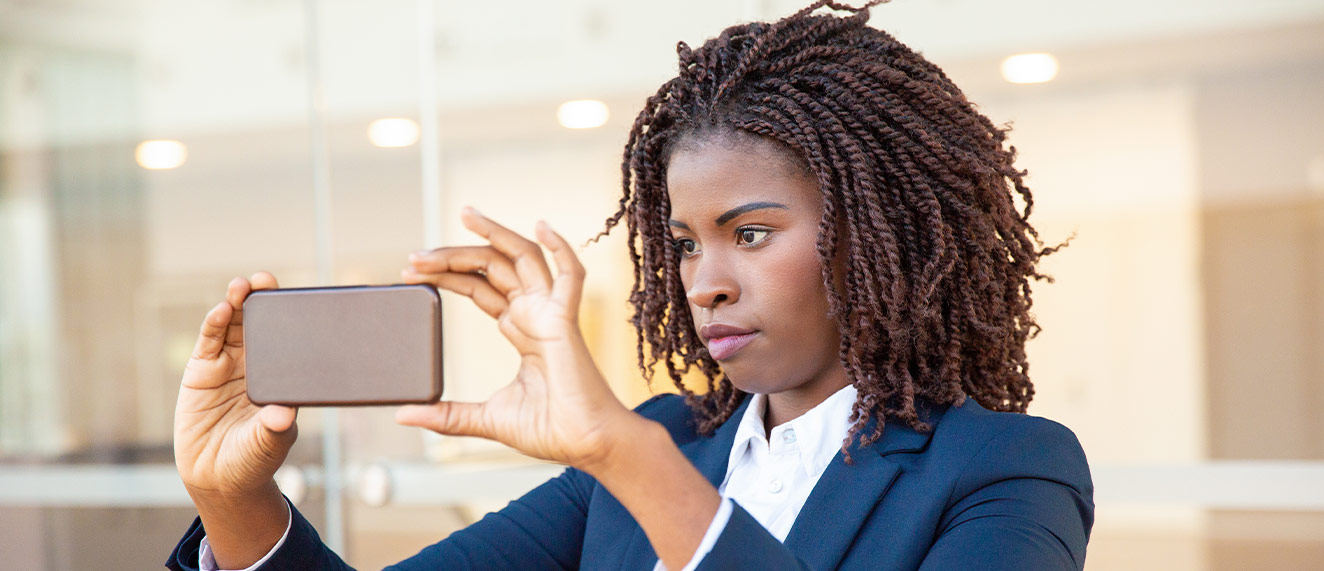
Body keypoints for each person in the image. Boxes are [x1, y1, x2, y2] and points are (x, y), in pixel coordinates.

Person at [166, 1, 1093, 569]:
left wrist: (623, 453)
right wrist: (234, 503)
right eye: (684, 245)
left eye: (752, 233)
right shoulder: (663, 443)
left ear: (879, 227)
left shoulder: (1010, 468)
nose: (706, 284)